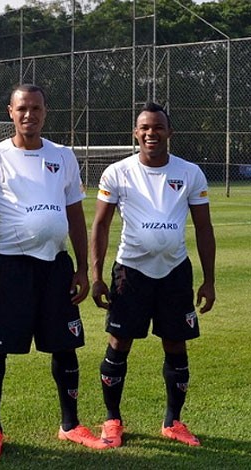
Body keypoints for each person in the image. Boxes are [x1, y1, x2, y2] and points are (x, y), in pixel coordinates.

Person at [0, 83, 110, 460]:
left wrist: (82, 268)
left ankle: (70, 424)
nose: (28, 115)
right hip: (12, 268)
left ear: (45, 112)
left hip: (56, 266)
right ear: (10, 112)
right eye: (22, 109)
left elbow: (75, 215)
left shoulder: (63, 156)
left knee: (64, 345)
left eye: (36, 108)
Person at [91, 101, 216, 448]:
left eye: (158, 127)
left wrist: (209, 280)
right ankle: (112, 420)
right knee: (119, 345)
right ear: (135, 132)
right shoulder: (117, 172)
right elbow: (100, 225)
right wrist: (96, 274)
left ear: (169, 132)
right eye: (144, 128)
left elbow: (204, 228)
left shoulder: (190, 172)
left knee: (176, 345)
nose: (151, 133)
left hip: (175, 272)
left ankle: (173, 422)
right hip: (130, 273)